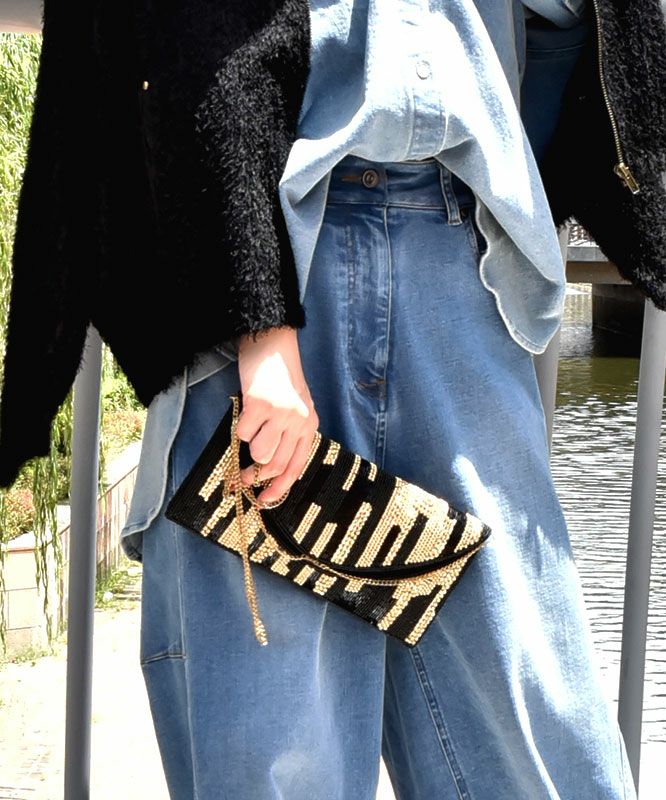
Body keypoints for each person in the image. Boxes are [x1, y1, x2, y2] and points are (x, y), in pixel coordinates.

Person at [1, 1, 665, 798]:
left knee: (539, 742)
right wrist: (257, 318)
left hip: (462, 257)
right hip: (270, 242)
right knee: (275, 750)